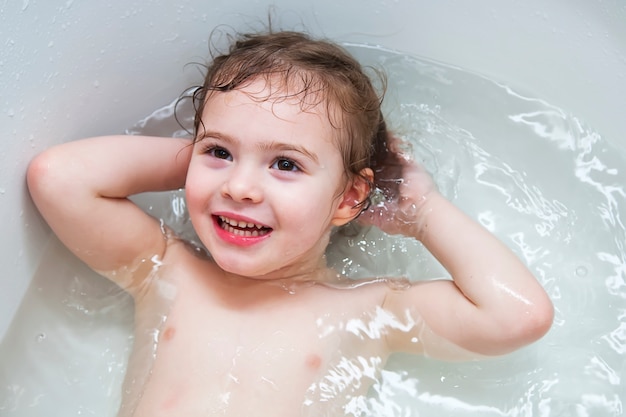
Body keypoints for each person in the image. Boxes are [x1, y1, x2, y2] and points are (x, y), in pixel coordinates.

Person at [27, 30, 553, 417]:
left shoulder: (369, 309)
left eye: (285, 164)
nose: (240, 188)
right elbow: (59, 178)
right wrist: (198, 166)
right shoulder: (166, 269)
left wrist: (421, 211)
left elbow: (517, 317)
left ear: (348, 197)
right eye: (219, 152)